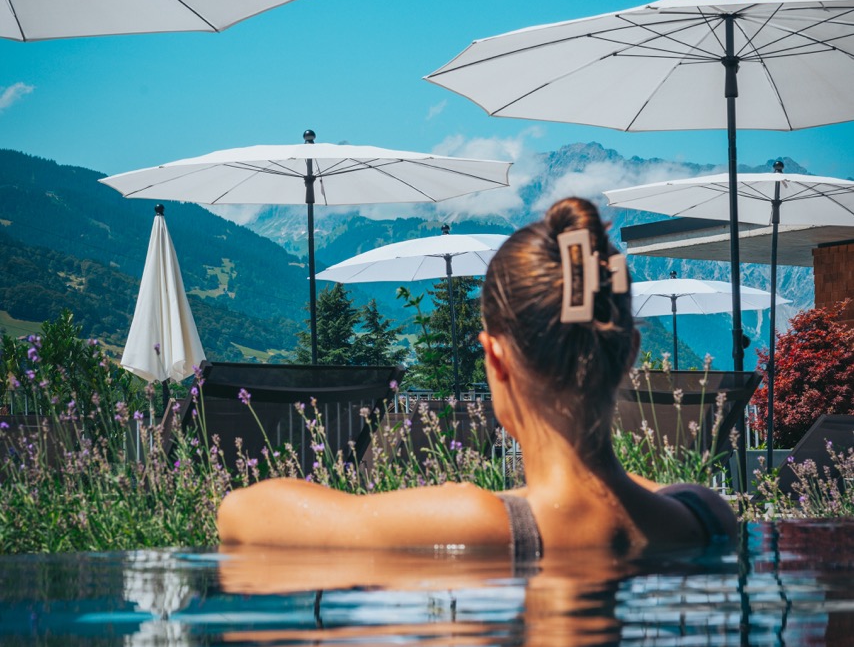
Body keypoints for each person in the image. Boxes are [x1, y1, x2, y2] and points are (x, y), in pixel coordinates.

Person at [217, 197, 735, 559]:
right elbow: (628, 491)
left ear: (496, 359)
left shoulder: (481, 522)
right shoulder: (705, 515)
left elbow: (240, 511)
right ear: (629, 353)